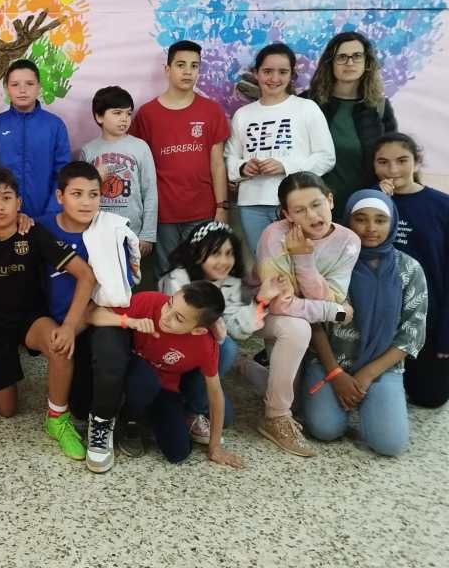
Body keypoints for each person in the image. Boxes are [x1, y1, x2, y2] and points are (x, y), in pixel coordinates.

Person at [0, 167, 97, 461]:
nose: (0, 206)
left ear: (19, 203)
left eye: (7, 198)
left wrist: (69, 327)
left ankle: (57, 419)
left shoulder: (32, 232)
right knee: (7, 410)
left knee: (60, 346)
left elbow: (86, 275)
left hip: (30, 320)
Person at [301, 190, 427, 456]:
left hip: (382, 367)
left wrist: (366, 375)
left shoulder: (409, 269)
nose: (371, 228)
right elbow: (313, 322)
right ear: (348, 219)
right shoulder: (328, 262)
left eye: (380, 220)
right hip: (329, 363)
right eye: (361, 219)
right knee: (325, 429)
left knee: (389, 445)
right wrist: (336, 374)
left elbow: (412, 333)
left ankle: (369, 397)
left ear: (392, 223)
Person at [255, 172, 359, 457]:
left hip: (306, 318)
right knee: (295, 328)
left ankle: (246, 367)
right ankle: (275, 417)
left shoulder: (349, 241)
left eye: (317, 204)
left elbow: (331, 295)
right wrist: (334, 311)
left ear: (330, 200)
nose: (312, 216)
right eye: (300, 210)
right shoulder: (274, 235)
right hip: (260, 315)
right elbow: (278, 305)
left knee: (297, 399)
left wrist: (303, 258)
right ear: (287, 215)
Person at [38, 162, 133, 473]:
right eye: (77, 194)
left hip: (98, 319)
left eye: (94, 194)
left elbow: (114, 299)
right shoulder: (41, 227)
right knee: (79, 405)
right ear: (60, 196)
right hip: (62, 324)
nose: (86, 202)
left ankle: (102, 427)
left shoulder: (111, 232)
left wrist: (71, 326)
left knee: (111, 352)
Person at [90, 283, 245, 469]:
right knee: (144, 381)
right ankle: (129, 421)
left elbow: (215, 392)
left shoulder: (204, 344)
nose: (166, 316)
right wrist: (129, 321)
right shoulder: (150, 301)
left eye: (178, 318)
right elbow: (93, 314)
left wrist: (215, 447)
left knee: (178, 453)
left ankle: (158, 417)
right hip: (136, 375)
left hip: (165, 387)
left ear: (198, 330)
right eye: (170, 303)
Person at [159, 222, 289, 437]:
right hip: (174, 355)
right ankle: (189, 408)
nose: (224, 261)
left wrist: (261, 300)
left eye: (229, 254)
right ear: (197, 254)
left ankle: (191, 402)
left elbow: (238, 329)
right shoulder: (178, 279)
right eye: (216, 253)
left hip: (203, 362)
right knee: (226, 348)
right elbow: (180, 326)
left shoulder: (230, 283)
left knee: (225, 418)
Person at [226, 43, 336, 256]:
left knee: (302, 261)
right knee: (266, 265)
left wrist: (285, 166)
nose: (274, 78)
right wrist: (243, 168)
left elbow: (326, 157)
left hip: (299, 203)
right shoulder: (243, 114)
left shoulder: (307, 108)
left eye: (283, 72)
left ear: (292, 75)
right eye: (267, 71)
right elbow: (230, 158)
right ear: (256, 73)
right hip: (252, 204)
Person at [130, 40, 229, 273]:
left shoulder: (211, 111)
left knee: (203, 274)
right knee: (168, 274)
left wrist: (222, 207)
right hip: (163, 213)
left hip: (203, 211)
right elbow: (139, 167)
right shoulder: (147, 114)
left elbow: (217, 164)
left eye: (194, 66)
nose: (187, 72)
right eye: (181, 65)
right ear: (167, 69)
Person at [375, 132, 449, 408]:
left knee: (430, 398)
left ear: (416, 162)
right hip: (380, 316)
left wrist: (445, 336)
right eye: (383, 162)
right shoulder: (369, 202)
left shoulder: (442, 205)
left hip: (427, 317)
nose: (392, 170)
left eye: (402, 160)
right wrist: (380, 202)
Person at [306, 32, 397, 217]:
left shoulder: (379, 107)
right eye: (341, 57)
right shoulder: (307, 103)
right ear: (330, 63)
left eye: (357, 56)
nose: (349, 63)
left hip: (363, 208)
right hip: (313, 208)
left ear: (367, 62)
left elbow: (391, 156)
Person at [0, 59, 71, 221]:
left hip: (46, 216)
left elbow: (62, 173)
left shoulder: (55, 125)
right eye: (15, 84)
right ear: (7, 88)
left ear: (39, 87)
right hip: (4, 218)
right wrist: (3, 210)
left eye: (29, 84)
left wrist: (52, 211)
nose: (22, 90)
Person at [80, 85, 157, 260]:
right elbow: (82, 192)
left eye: (128, 113)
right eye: (117, 113)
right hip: (97, 233)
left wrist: (148, 234)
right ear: (99, 116)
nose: (124, 119)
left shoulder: (140, 147)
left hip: (132, 233)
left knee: (132, 276)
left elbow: (150, 192)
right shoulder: (88, 150)